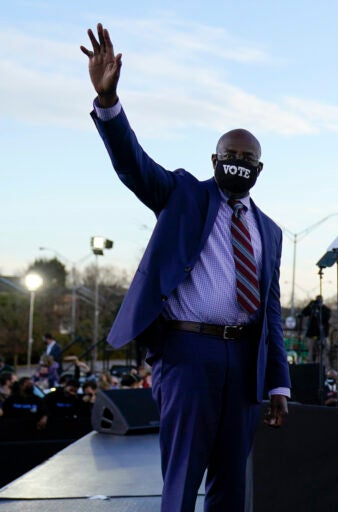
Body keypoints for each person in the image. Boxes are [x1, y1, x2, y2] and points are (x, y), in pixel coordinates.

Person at [81, 23, 290, 512]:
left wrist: (277, 382)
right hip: (187, 350)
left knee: (232, 479)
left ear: (260, 169)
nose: (237, 162)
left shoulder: (272, 232)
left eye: (248, 157)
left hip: (244, 362)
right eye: (229, 155)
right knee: (183, 474)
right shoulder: (181, 194)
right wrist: (108, 103)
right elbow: (132, 163)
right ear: (213, 159)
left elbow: (272, 313)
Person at [301, 295, 331, 368]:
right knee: (310, 352)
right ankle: (310, 367)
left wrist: (318, 312)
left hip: (322, 335)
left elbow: (326, 317)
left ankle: (324, 369)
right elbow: (304, 312)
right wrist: (310, 305)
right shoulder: (312, 308)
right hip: (311, 334)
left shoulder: (325, 309)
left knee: (323, 352)